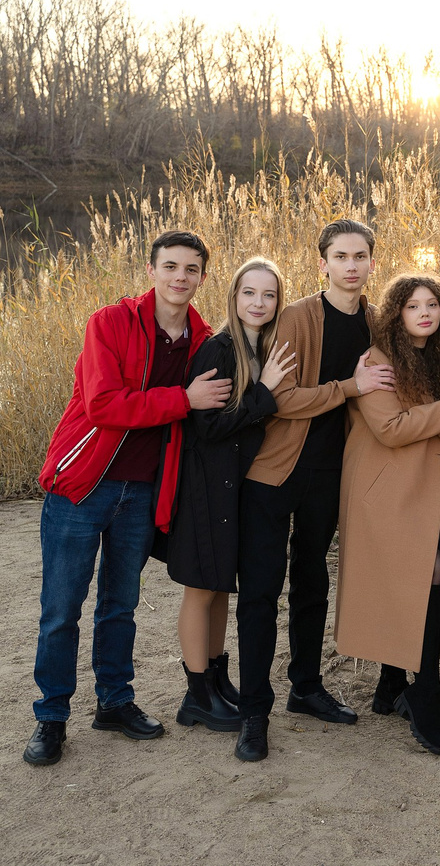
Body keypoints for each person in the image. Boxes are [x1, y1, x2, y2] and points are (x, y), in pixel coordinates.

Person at [25, 231, 223, 767]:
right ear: (152, 269)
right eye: (170, 266)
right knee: (61, 610)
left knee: (121, 606)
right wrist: (183, 399)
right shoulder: (110, 323)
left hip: (142, 494)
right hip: (82, 487)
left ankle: (114, 702)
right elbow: (105, 404)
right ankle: (51, 717)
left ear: (203, 276)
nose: (180, 277)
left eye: (191, 269)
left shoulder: (204, 339)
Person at [231, 218, 392, 762]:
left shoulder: (376, 322)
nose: (351, 265)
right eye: (340, 256)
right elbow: (280, 398)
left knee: (312, 580)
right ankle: (254, 711)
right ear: (322, 263)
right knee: (259, 590)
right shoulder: (299, 315)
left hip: (331, 472)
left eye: (360, 256)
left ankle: (306, 687)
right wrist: (349, 387)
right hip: (275, 471)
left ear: (372, 263)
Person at [336, 272, 440, 756]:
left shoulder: (430, 358)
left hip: (417, 488)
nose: (425, 313)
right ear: (396, 313)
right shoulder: (380, 359)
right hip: (382, 491)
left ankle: (390, 686)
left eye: (433, 305)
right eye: (412, 306)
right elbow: (389, 427)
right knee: (427, 573)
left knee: (412, 577)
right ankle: (424, 693)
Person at [158, 256, 289, 737]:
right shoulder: (219, 349)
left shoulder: (259, 349)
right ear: (234, 298)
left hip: (231, 488)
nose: (259, 302)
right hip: (205, 486)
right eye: (249, 293)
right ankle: (196, 696)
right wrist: (265, 395)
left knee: (218, 587)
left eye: (269, 294)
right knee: (200, 588)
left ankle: (217, 679)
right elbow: (208, 427)